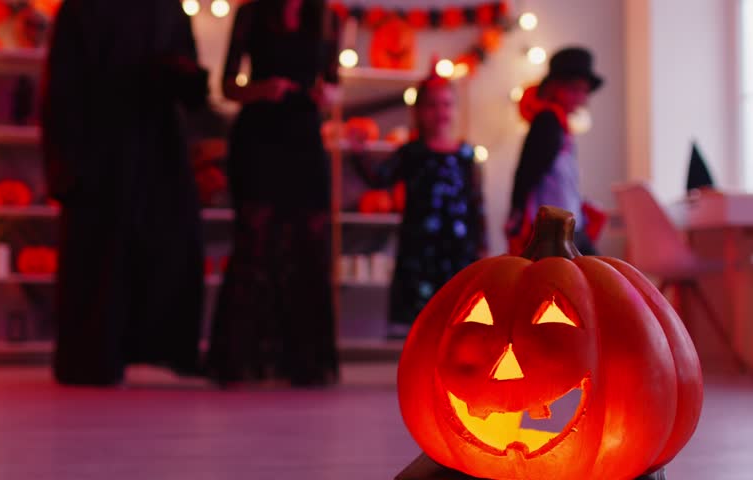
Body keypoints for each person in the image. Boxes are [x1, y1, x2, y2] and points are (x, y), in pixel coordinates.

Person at [41, 0, 208, 386]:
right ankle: (93, 358)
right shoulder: (82, 9)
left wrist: (182, 75)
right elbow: (62, 89)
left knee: (170, 242)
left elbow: (189, 79)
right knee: (100, 252)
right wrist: (64, 161)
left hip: (157, 146)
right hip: (98, 148)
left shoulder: (167, 8)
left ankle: (167, 348)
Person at [206, 0, 341, 388]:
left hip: (304, 136)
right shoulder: (251, 13)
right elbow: (228, 86)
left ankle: (303, 361)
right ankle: (242, 359)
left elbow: (332, 81)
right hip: (260, 137)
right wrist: (261, 89)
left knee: (308, 241)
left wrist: (328, 95)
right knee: (255, 240)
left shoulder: (327, 17)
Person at [349, 71, 487, 340]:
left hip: (458, 246)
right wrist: (359, 153)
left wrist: (481, 242)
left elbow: (476, 202)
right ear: (419, 111)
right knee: (421, 313)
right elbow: (380, 178)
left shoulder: (466, 154)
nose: (440, 111)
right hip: (420, 246)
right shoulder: (412, 152)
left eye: (447, 104)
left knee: (457, 309)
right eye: (433, 105)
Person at [505, 46, 605, 256]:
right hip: (552, 227)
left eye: (584, 91)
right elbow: (529, 169)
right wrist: (517, 210)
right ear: (556, 88)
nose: (582, 98)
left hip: (566, 220)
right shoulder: (548, 122)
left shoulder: (561, 125)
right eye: (576, 90)